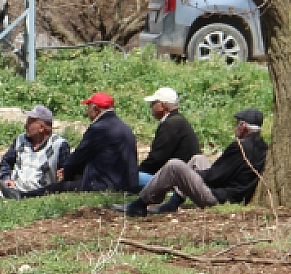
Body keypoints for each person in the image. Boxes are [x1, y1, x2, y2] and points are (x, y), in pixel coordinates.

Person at [116, 108, 268, 216]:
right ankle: (173, 203)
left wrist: (191, 176)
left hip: (222, 197)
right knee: (198, 158)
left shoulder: (240, 146)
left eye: (237, 124)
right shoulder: (262, 146)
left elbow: (215, 176)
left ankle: (140, 204)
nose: (235, 128)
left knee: (175, 166)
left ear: (243, 127)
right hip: (233, 191)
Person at [59, 92, 139, 193]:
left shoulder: (98, 128)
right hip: (129, 183)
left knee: (56, 187)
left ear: (96, 109)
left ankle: (32, 194)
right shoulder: (124, 127)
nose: (87, 112)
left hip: (107, 185)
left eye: (88, 108)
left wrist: (67, 173)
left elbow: (79, 157)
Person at [0, 105, 70, 199]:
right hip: (14, 190)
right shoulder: (20, 140)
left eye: (30, 123)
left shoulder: (59, 145)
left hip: (40, 194)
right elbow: (6, 161)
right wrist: (6, 178)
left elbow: (67, 172)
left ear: (41, 128)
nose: (25, 126)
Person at [137, 87, 199, 187]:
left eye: (153, 103)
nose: (151, 107)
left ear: (163, 105)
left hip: (176, 180)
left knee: (127, 178)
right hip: (182, 175)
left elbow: (157, 158)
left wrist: (138, 171)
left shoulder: (171, 124)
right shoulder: (177, 120)